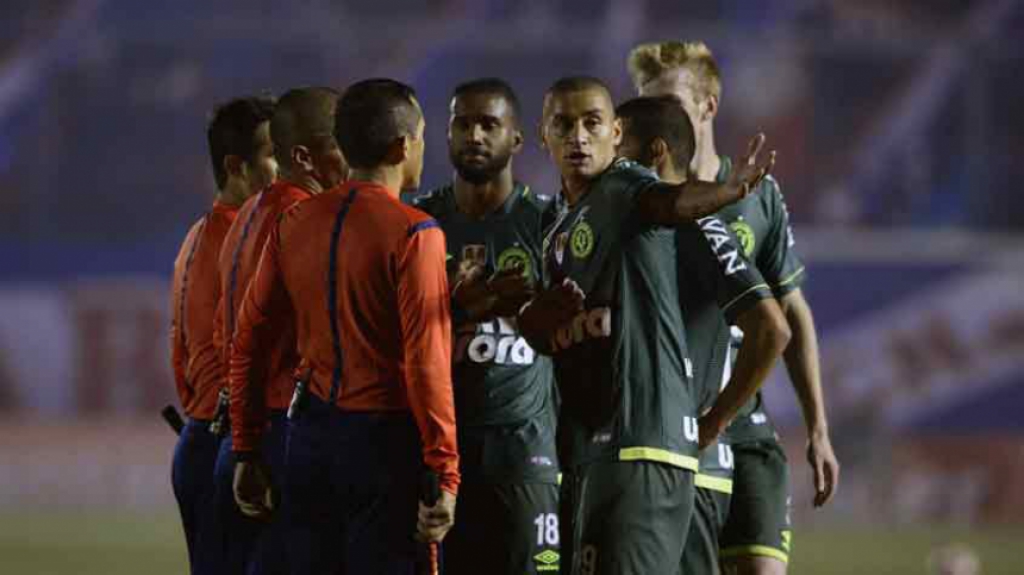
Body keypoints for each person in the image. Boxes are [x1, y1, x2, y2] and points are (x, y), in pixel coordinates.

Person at [517, 76, 772, 575]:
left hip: (642, 444)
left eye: (592, 123)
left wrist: (726, 191)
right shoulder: (557, 228)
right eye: (563, 124)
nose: (578, 136)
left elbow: (669, 203)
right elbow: (550, 336)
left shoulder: (624, 186)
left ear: (616, 133)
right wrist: (532, 319)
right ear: (543, 135)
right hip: (593, 453)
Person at [230, 78, 459, 574]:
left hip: (308, 437)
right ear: (403, 146)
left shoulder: (293, 223)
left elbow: (249, 338)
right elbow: (427, 362)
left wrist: (246, 446)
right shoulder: (416, 232)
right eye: (419, 136)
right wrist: (446, 470)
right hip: (382, 444)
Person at [628, 40, 841, 575]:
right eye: (646, 101)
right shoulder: (636, 200)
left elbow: (791, 314)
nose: (658, 114)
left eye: (670, 100)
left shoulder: (757, 195)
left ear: (708, 106)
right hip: (670, 427)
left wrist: (817, 429)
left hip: (742, 426)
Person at [616, 94, 792, 575]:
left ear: (654, 153)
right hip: (624, 458)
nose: (608, 153)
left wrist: (714, 422)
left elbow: (774, 329)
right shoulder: (617, 221)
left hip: (685, 466)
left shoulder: (698, 224)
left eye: (618, 141)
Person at [414, 78, 560, 574]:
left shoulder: (548, 224)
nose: (474, 135)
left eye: (489, 124)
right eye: (463, 123)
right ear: (447, 133)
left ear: (516, 139)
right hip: (435, 459)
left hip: (526, 459)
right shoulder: (419, 222)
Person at [215, 86, 346, 574]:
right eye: (342, 142)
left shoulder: (246, 215)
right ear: (305, 156)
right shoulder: (303, 219)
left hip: (246, 432)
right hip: (285, 433)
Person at [169, 95, 276, 574]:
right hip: (230, 445)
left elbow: (183, 354)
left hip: (203, 439)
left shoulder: (199, 235)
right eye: (275, 151)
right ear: (237, 166)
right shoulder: (245, 241)